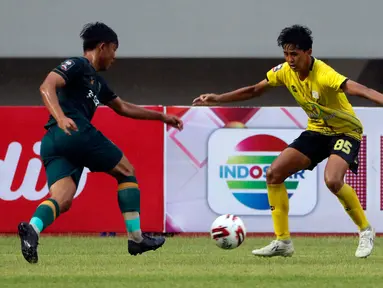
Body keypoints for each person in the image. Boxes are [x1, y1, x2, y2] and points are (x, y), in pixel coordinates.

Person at [192, 24, 382, 258]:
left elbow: (359, 89)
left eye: (295, 54)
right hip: (317, 132)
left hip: (345, 132)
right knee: (274, 173)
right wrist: (218, 98)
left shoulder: (324, 73)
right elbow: (254, 89)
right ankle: (283, 242)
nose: (290, 59)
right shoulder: (284, 71)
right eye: (286, 53)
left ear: (308, 52)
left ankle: (365, 230)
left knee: (332, 180)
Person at [18, 22, 183, 264]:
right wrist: (62, 117)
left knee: (62, 200)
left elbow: (123, 107)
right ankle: (136, 238)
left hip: (54, 142)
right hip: (74, 130)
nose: (115, 57)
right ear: (102, 47)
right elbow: (47, 86)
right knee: (127, 172)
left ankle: (32, 229)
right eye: (114, 50)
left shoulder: (97, 82)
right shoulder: (78, 64)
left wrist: (161, 117)